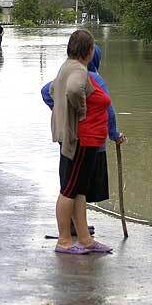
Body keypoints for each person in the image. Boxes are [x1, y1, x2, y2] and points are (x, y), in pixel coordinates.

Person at [41, 44, 126, 236]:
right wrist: (115, 135)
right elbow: (108, 111)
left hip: (69, 137)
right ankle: (72, 230)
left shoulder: (66, 73)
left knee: (70, 183)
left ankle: (77, 226)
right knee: (78, 187)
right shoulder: (93, 77)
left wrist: (61, 111)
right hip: (88, 140)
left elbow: (46, 91)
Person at [51, 29, 116, 254]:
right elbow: (72, 90)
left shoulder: (67, 66)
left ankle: (85, 240)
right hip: (80, 139)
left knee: (78, 190)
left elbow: (52, 90)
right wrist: (80, 110)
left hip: (78, 137)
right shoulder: (78, 69)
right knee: (69, 189)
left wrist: (64, 111)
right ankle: (64, 241)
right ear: (88, 50)